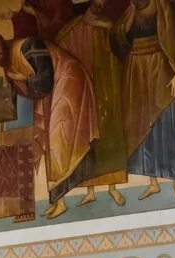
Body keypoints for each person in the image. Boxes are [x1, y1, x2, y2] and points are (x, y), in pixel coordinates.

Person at [0, 31, 98, 219]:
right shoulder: (7, 62)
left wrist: (24, 79)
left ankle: (63, 199)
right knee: (48, 139)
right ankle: (59, 201)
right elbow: (23, 88)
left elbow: (44, 80)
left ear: (2, 41)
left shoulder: (28, 46)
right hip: (53, 90)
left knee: (58, 137)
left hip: (69, 78)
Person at [111, 0, 175, 206]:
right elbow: (117, 40)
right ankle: (153, 182)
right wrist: (122, 28)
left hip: (159, 68)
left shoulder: (163, 7)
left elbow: (172, 41)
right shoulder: (131, 11)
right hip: (135, 71)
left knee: (166, 125)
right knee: (140, 125)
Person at [57, 0, 127, 207]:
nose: (99, 6)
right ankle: (90, 191)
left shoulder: (109, 23)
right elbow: (63, 50)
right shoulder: (75, 27)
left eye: (102, 3)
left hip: (109, 87)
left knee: (111, 135)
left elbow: (121, 47)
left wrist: (108, 27)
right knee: (89, 139)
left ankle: (113, 187)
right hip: (88, 91)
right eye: (96, 2)